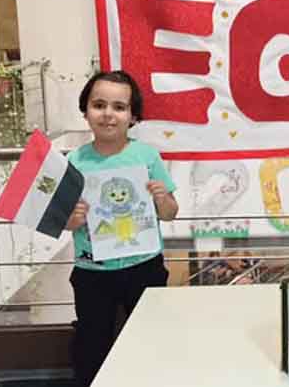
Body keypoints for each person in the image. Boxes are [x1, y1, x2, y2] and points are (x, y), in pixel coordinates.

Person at [64, 70, 178, 386]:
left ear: (133, 116)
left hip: (144, 266)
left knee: (152, 338)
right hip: (91, 271)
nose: (108, 114)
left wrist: (162, 198)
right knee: (92, 343)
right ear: (85, 111)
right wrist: (74, 218)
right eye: (99, 105)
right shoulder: (75, 161)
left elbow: (170, 214)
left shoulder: (147, 156)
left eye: (119, 107)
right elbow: (65, 221)